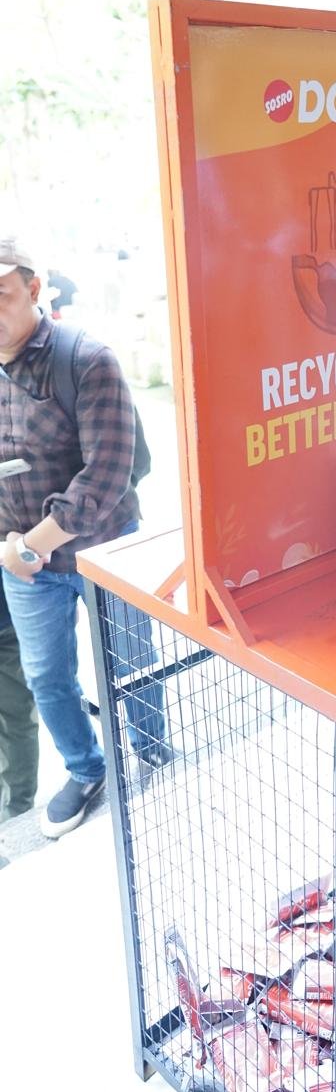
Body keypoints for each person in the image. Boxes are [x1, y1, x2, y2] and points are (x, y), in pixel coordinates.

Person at [0, 238, 170, 840]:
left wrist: (28, 546)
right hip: (24, 564)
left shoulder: (86, 358)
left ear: (33, 290)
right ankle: (86, 769)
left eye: (0, 294)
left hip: (106, 548)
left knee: (132, 660)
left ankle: (155, 755)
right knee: (47, 676)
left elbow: (105, 477)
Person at [0, 577, 40, 823]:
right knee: (18, 721)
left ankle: (17, 815)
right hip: (10, 616)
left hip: (8, 620)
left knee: (18, 721)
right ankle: (18, 814)